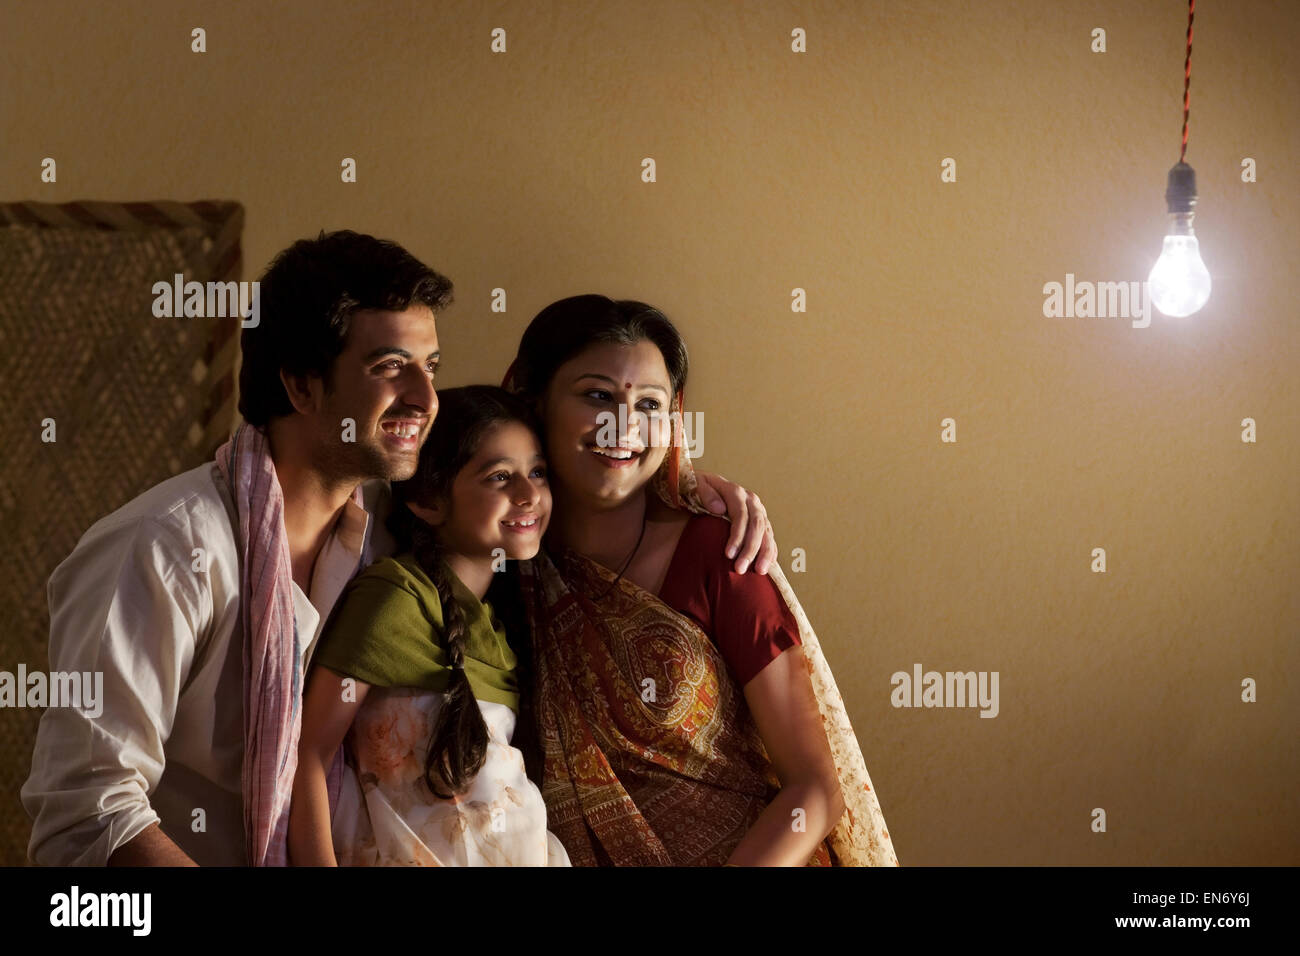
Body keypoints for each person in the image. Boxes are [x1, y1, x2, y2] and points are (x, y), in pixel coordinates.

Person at [20, 229, 776, 867]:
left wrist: (686, 487)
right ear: (302, 385)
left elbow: (517, 496)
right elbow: (88, 815)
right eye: (389, 369)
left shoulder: (386, 528)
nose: (424, 399)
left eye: (431, 367)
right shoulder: (164, 550)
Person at [501, 295, 899, 866]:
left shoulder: (720, 552)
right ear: (533, 401)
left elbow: (814, 790)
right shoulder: (507, 569)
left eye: (649, 405)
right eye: (597, 396)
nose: (624, 425)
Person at [289, 386, 569, 866]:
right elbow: (306, 754)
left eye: (538, 472)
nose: (528, 494)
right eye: (500, 477)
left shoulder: (500, 631)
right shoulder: (396, 597)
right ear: (427, 501)